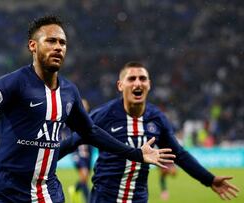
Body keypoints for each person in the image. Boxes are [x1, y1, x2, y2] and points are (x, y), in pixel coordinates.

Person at [0, 16, 175, 203]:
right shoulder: (11, 84)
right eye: (51, 41)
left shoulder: (70, 92)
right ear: (33, 46)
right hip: (2, 193)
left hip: (47, 193)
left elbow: (90, 132)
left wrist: (136, 154)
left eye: (62, 42)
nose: (58, 47)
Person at [59, 61, 239, 202]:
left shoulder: (157, 119)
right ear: (120, 85)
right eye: (131, 79)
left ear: (149, 85)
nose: (138, 82)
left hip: (138, 199)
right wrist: (38, 163)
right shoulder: (102, 116)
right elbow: (72, 142)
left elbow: (179, 155)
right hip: (104, 199)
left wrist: (209, 179)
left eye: (142, 78)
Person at [68, 99, 93, 203]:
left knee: (85, 178)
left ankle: (75, 189)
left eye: (85, 105)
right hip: (78, 153)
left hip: (88, 153)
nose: (84, 107)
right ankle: (88, 200)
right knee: (84, 176)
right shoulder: (74, 120)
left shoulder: (91, 118)